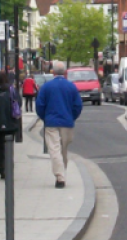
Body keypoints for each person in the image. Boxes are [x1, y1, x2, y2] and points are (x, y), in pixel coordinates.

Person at [36, 60, 83, 189]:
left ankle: (60, 175)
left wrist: (44, 117)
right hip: (67, 122)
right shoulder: (71, 87)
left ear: (53, 72)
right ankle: (62, 173)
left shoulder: (46, 87)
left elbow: (40, 105)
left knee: (54, 149)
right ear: (65, 72)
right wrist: (72, 117)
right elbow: (78, 105)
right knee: (63, 149)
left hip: (51, 121)